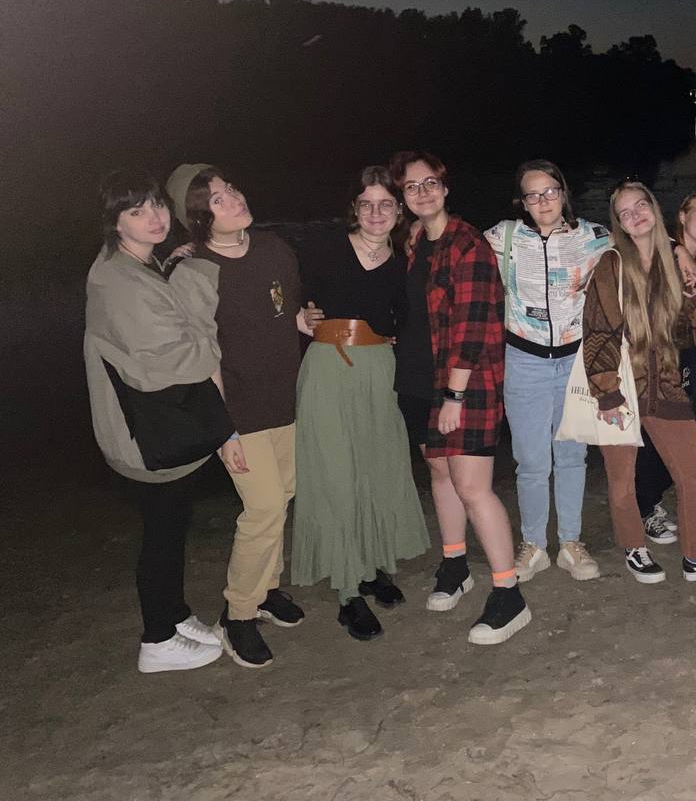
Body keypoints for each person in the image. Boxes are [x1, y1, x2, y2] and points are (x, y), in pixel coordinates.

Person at [167, 164, 319, 667]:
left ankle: (266, 589)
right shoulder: (193, 272)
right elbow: (201, 357)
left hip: (285, 398)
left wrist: (312, 322)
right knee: (265, 507)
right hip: (238, 412)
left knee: (285, 494)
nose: (234, 199)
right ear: (198, 218)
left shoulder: (274, 248)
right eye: (217, 200)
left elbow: (287, 314)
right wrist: (223, 429)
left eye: (231, 189)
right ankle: (237, 616)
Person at [84, 172, 226, 673]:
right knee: (163, 531)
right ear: (115, 223)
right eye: (137, 211)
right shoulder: (118, 281)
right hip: (143, 434)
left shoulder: (131, 264)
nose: (155, 218)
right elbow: (183, 358)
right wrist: (195, 279)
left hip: (154, 427)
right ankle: (157, 640)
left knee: (171, 524)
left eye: (157, 206)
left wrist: (171, 267)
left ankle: (175, 612)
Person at [392, 150, 531, 645]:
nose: (423, 192)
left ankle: (509, 593)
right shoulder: (415, 242)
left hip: (464, 381)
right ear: (403, 197)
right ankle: (455, 564)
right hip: (419, 379)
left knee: (473, 486)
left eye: (430, 183)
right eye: (412, 187)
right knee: (440, 472)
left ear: (445, 188)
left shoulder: (468, 244)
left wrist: (454, 394)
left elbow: (474, 326)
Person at [291, 166, 431, 641]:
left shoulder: (406, 260)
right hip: (329, 369)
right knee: (337, 475)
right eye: (366, 203)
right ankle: (348, 589)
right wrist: (298, 316)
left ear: (399, 210)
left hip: (380, 371)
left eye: (385, 204)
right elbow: (279, 290)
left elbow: (411, 316)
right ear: (354, 208)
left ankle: (371, 567)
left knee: (375, 468)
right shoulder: (324, 248)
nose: (375, 212)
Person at [582, 180, 696, 584]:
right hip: (622, 386)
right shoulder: (611, 265)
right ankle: (634, 548)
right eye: (625, 212)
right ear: (619, 223)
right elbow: (598, 332)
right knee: (623, 480)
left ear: (653, 209)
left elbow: (690, 338)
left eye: (641, 205)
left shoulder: (673, 264)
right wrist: (607, 393)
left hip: (666, 385)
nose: (635, 215)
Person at [484, 160, 612, 583]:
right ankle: (534, 544)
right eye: (533, 195)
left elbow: (643, 247)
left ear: (563, 192)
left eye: (550, 192)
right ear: (522, 202)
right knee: (531, 460)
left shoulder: (593, 237)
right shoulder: (502, 237)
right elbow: (453, 250)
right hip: (524, 360)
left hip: (575, 361)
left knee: (573, 454)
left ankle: (571, 542)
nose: (543, 202)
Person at [634, 190, 696, 544]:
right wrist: (676, 248)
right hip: (653, 360)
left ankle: (648, 501)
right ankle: (645, 508)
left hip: (683, 358)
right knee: (655, 439)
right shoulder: (665, 253)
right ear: (682, 216)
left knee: (676, 437)